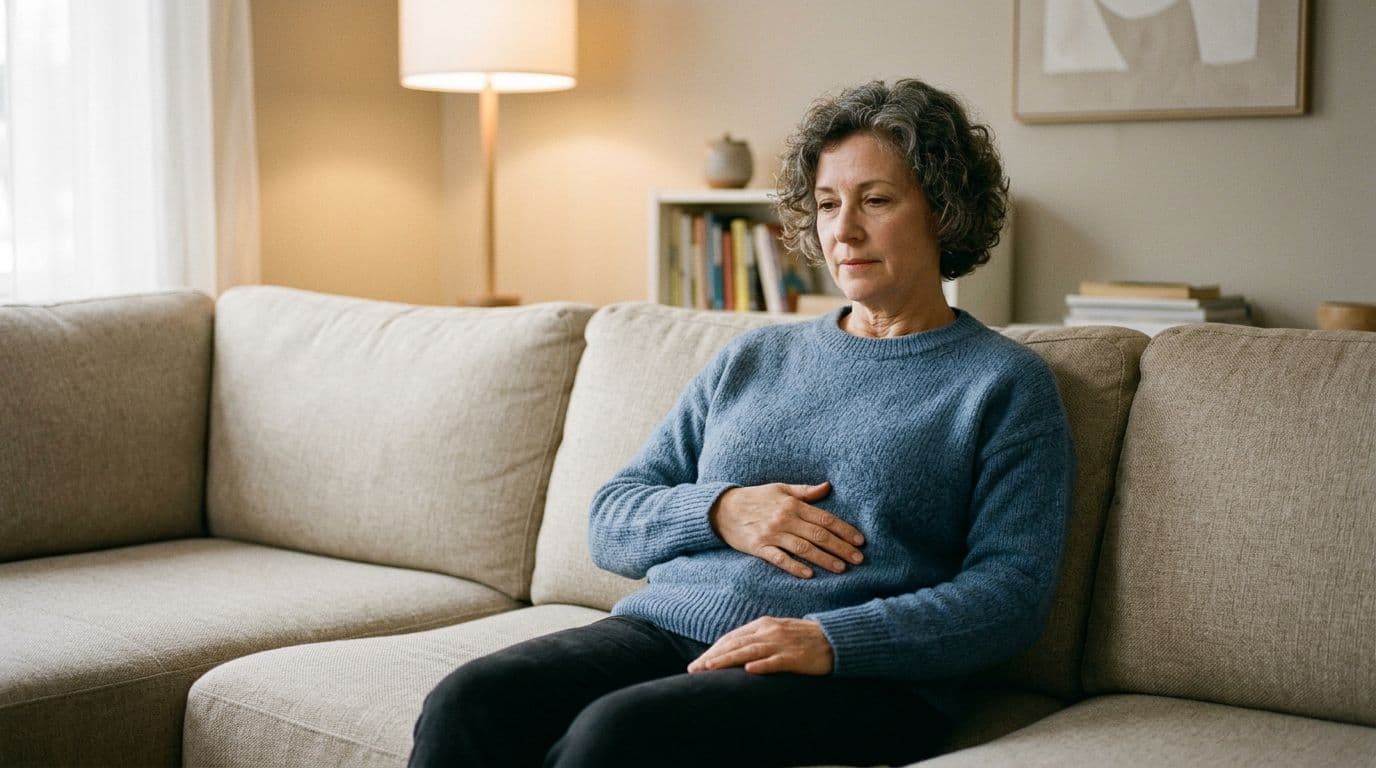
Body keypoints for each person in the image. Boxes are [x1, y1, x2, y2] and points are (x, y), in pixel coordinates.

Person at [408, 78, 1074, 768]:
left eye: (875, 200)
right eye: (825, 203)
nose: (842, 230)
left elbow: (1011, 593)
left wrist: (833, 639)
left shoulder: (1001, 384)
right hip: (668, 628)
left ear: (943, 209)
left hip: (858, 673)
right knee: (470, 700)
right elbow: (610, 518)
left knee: (615, 737)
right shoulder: (755, 356)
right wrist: (720, 511)